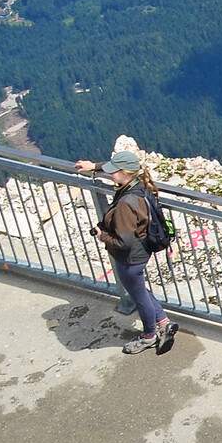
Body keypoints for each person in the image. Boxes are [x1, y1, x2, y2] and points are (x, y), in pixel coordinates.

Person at [78, 146, 177, 356]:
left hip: (130, 257)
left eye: (114, 171)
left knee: (138, 295)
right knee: (139, 289)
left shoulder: (126, 204)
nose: (111, 173)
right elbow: (116, 169)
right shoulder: (139, 185)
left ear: (125, 173)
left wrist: (100, 235)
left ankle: (149, 335)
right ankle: (164, 322)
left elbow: (123, 242)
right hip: (142, 250)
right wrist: (94, 167)